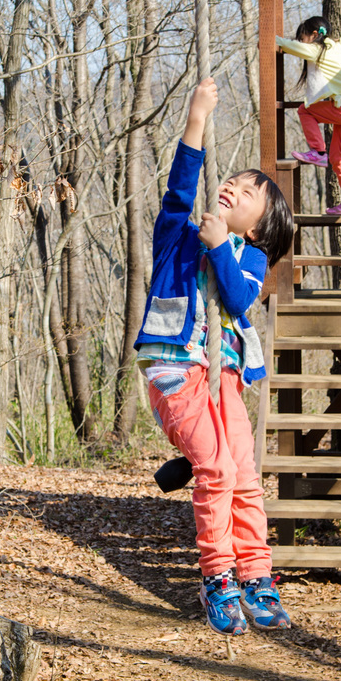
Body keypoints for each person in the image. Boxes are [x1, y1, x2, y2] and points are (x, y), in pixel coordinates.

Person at [134, 78, 294, 636]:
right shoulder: (178, 234)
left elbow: (236, 294)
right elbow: (181, 187)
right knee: (217, 467)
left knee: (244, 474)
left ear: (260, 225)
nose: (232, 188)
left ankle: (256, 574)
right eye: (231, 181)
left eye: (248, 193)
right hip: (176, 368)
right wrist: (197, 117)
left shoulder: (249, 260)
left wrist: (222, 243)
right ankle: (218, 578)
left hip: (224, 376)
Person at [276, 15, 341, 216]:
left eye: (303, 38)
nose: (301, 43)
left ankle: (318, 152)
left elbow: (286, 45)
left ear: (313, 35)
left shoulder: (317, 49)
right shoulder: (339, 47)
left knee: (305, 110)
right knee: (338, 157)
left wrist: (270, 40)